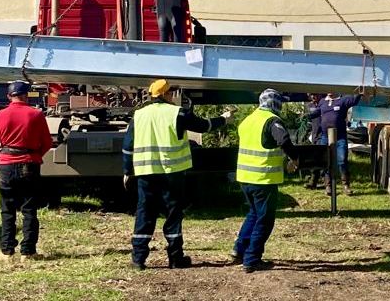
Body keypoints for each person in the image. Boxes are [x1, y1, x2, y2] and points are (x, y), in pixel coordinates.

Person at [122, 78, 233, 270]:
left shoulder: (138, 115)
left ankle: (138, 259)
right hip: (171, 173)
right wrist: (224, 119)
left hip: (146, 174)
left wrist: (127, 171)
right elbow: (204, 126)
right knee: (173, 214)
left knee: (144, 213)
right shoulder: (177, 113)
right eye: (171, 92)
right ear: (167, 94)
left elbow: (127, 147)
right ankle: (175, 258)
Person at [233, 88, 301, 273]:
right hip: (263, 179)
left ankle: (239, 250)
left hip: (245, 177)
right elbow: (284, 139)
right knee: (264, 220)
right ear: (275, 104)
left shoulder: (248, 120)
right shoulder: (271, 120)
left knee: (254, 214)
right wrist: (294, 160)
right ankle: (252, 259)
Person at [0, 80, 53, 262]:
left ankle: (6, 252)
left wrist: (1, 158)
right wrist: (35, 156)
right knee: (29, 209)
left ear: (9, 96)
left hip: (6, 164)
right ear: (26, 95)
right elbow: (47, 143)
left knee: (7, 209)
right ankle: (28, 252)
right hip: (29, 164)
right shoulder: (36, 115)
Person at [309, 91, 362, 195]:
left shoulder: (342, 100)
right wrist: (308, 116)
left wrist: (360, 92)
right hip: (325, 137)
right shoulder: (323, 101)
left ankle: (346, 186)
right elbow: (318, 111)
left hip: (340, 137)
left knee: (342, 160)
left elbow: (354, 100)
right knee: (326, 161)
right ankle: (328, 186)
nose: (330, 91)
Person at [303, 93, 323, 189]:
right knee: (315, 159)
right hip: (314, 136)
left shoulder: (324, 104)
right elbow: (308, 121)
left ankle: (323, 181)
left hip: (324, 135)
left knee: (322, 159)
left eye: (315, 94)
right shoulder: (309, 106)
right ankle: (313, 181)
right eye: (311, 95)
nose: (313, 97)